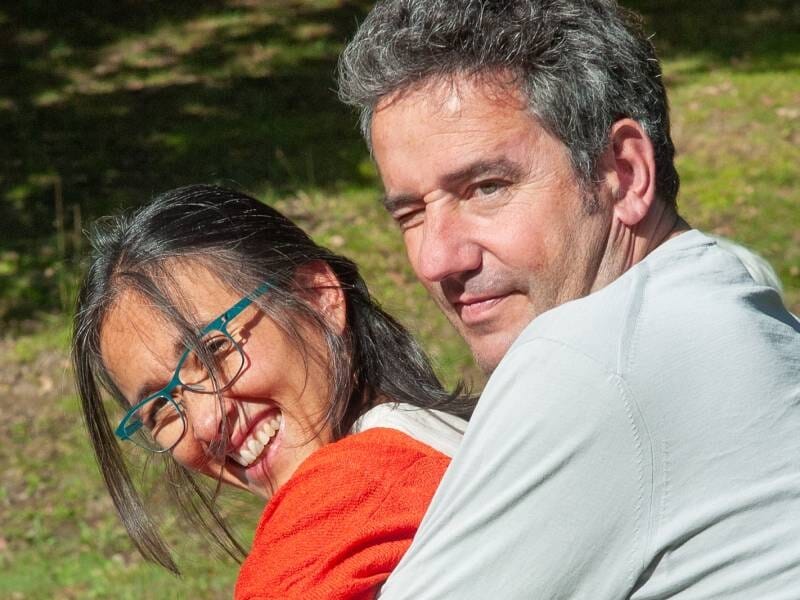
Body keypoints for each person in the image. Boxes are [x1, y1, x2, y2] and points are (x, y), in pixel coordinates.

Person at [338, 0, 800, 597]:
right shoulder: (735, 293)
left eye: (486, 188)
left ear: (625, 174)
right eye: (410, 213)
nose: (437, 260)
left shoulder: (588, 359)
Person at [71, 184, 470, 599]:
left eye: (214, 349)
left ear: (318, 296)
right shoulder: (453, 439)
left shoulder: (365, 478)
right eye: (159, 408)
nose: (206, 423)